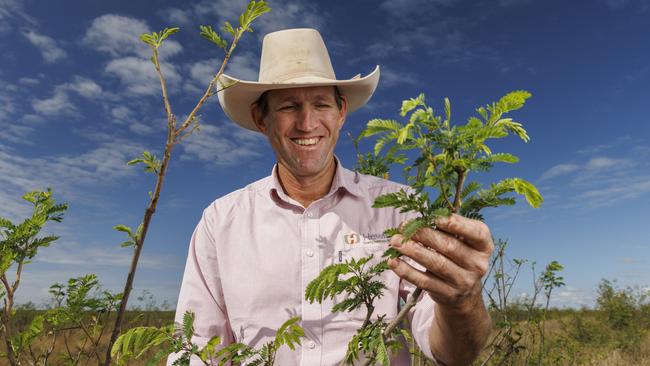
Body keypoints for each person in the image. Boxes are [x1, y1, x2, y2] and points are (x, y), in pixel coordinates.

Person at [169, 28, 493, 366]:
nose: (307, 123)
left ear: (341, 113)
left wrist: (464, 303)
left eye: (321, 104)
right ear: (260, 119)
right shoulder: (221, 221)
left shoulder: (399, 208)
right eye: (288, 106)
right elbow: (196, 350)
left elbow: (450, 353)